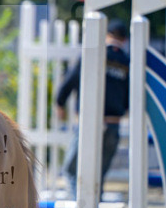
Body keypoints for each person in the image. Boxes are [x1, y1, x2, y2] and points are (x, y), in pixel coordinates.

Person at [55, 19, 130, 198]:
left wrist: (60, 102)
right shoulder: (127, 61)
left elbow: (70, 81)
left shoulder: (93, 54)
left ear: (107, 35)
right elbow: (129, 98)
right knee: (98, 176)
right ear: (124, 40)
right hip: (113, 124)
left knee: (72, 171)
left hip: (89, 123)